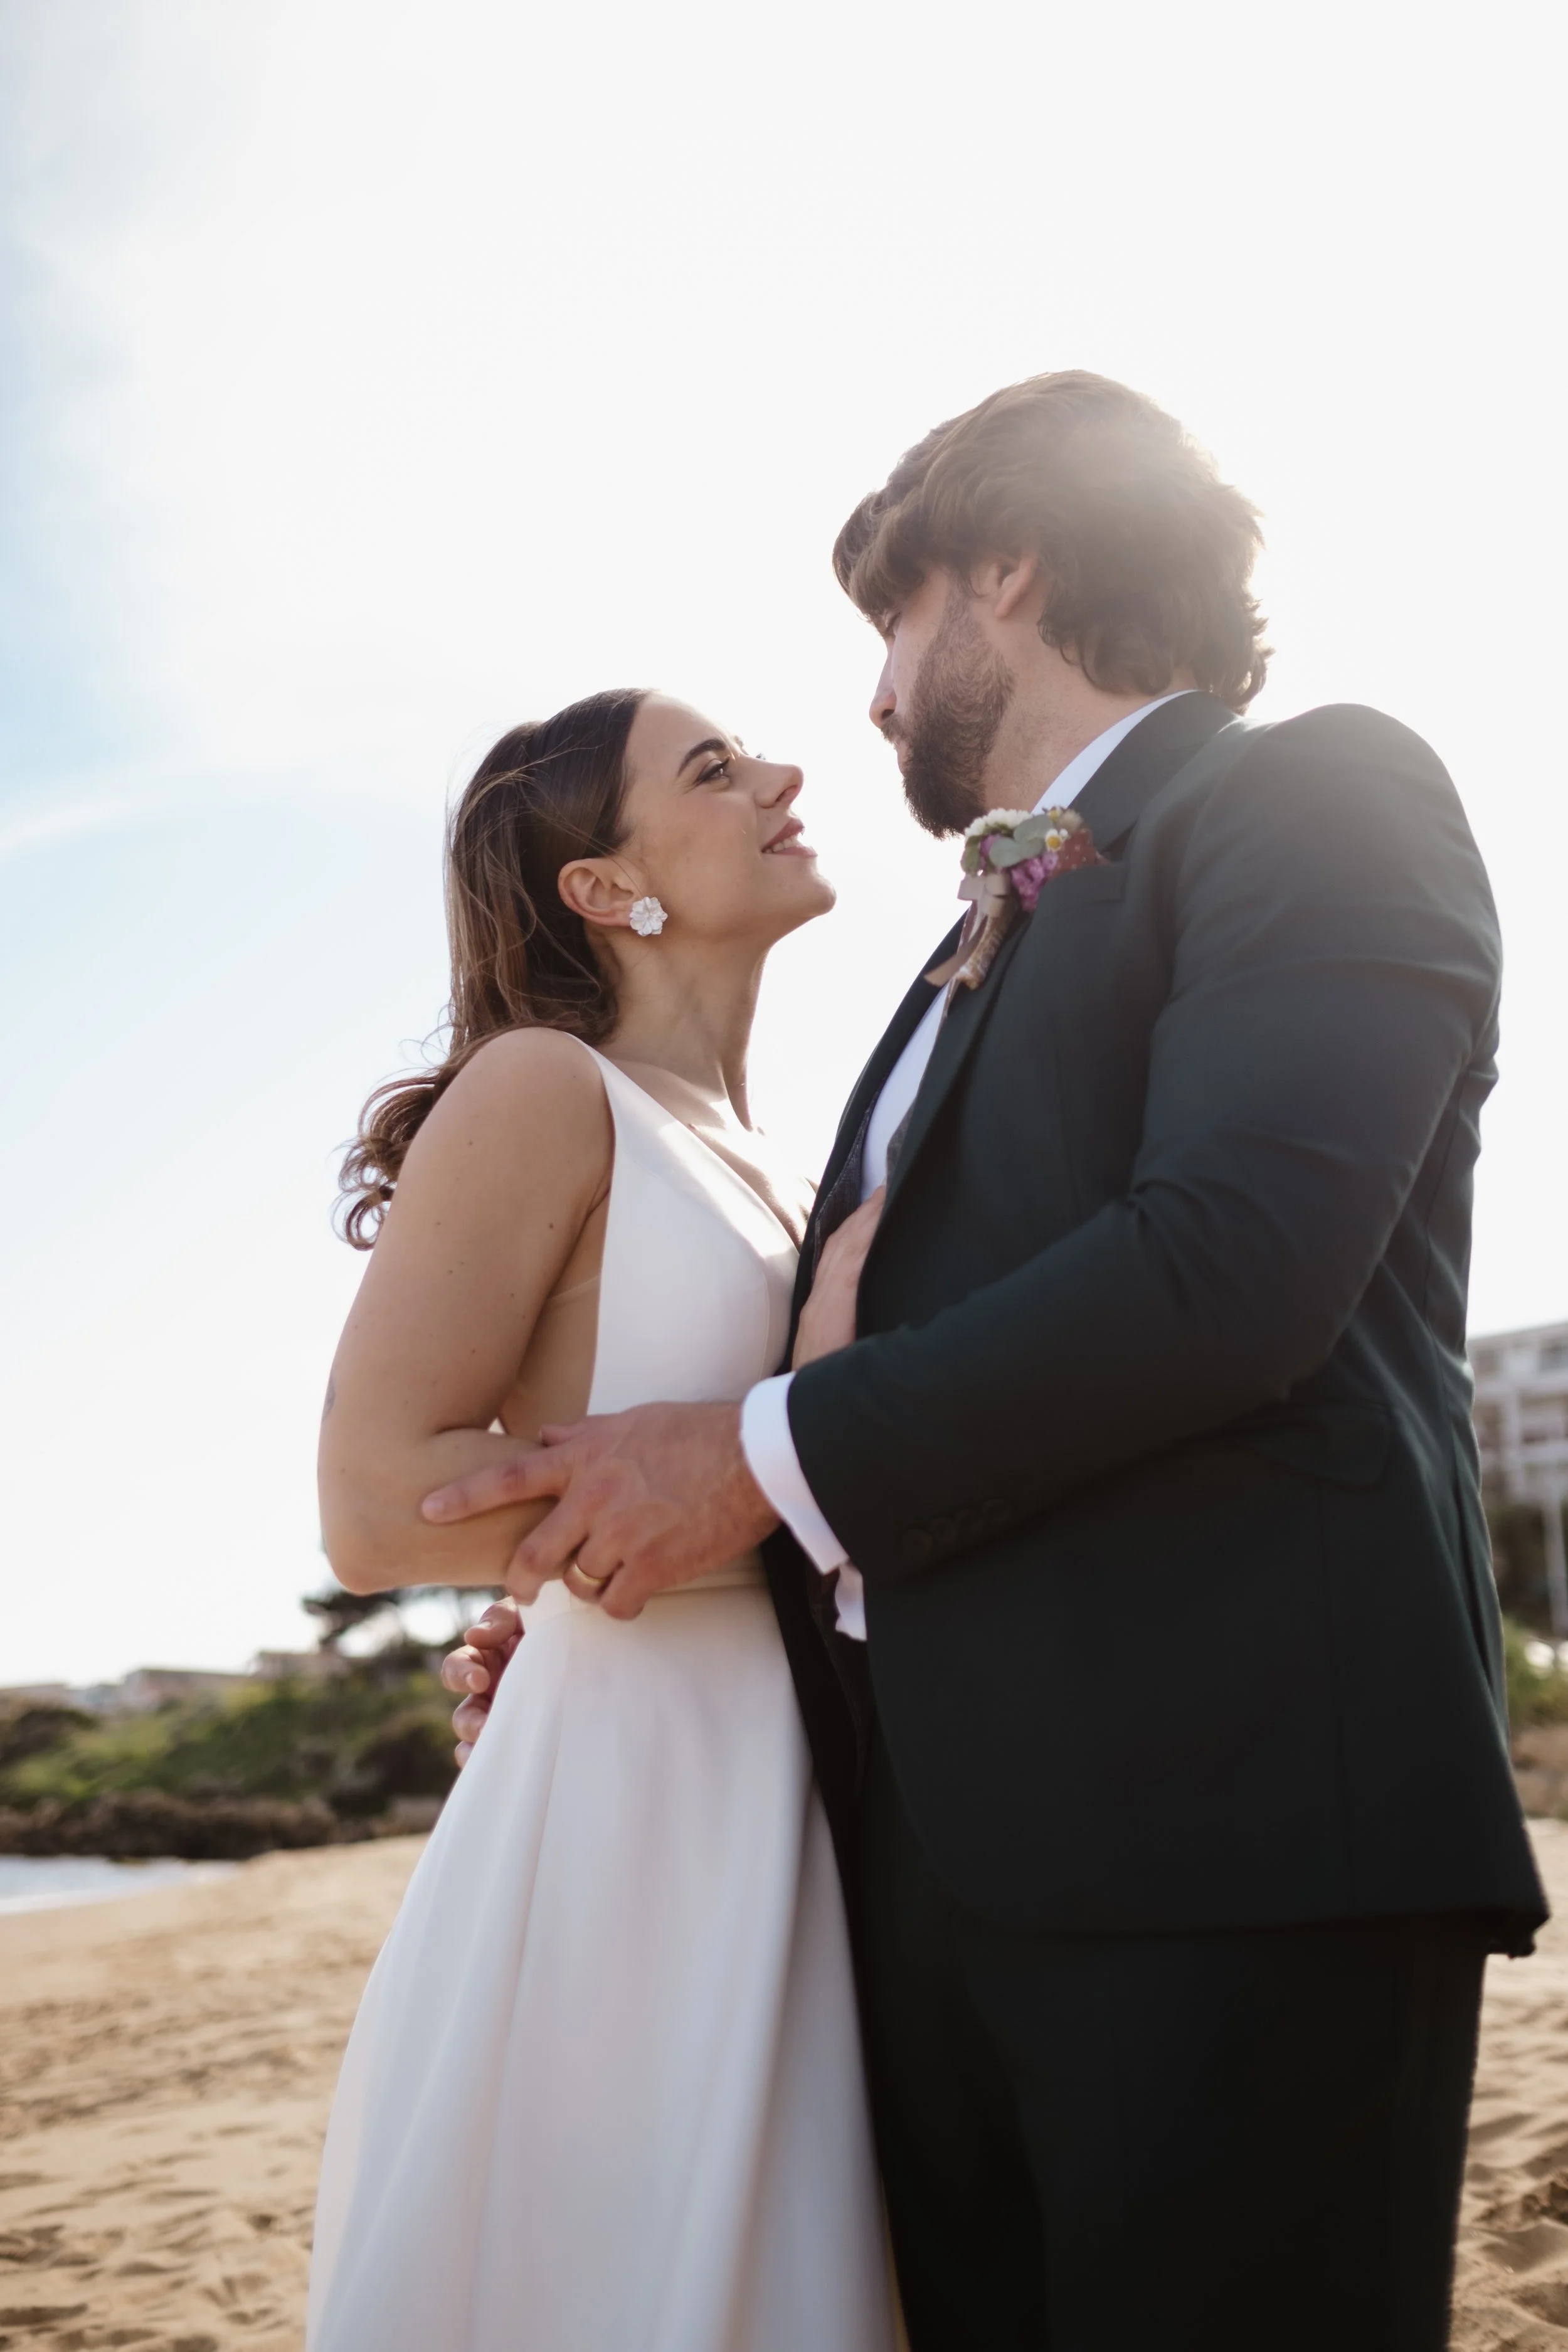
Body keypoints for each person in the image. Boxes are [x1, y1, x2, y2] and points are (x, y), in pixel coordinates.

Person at [433, 371, 1547, 2351]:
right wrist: (646, 1621)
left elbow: (1233, 1266)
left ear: (1006, 568)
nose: (866, 703)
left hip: (1234, 1854)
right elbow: (913, 1380)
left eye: (891, 625)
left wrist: (745, 1466)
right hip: (922, 1886)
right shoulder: (960, 957)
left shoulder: (1312, 793)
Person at [306, 689, 899, 2351]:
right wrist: (660, 1550)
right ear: (600, 884)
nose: (782, 776)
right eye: (714, 769)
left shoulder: (788, 1162)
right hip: (631, 1822)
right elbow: (371, 1504)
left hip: (814, 1801)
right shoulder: (545, 1092)